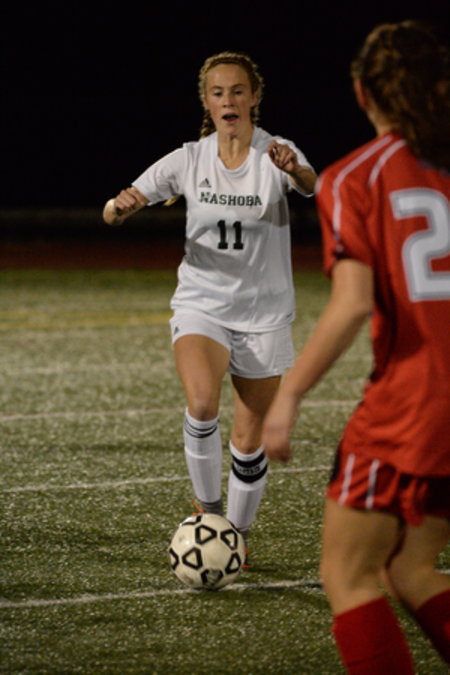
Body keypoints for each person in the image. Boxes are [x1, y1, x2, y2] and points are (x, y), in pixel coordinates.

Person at [263, 20, 450, 673]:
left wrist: (288, 395)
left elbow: (352, 302)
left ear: (363, 92)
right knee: (410, 565)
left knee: (348, 574)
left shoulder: (354, 177)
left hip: (413, 406)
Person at [103, 52, 317, 550]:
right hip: (203, 304)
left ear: (254, 97)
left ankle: (236, 539)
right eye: (218, 93)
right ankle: (210, 516)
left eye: (238, 91)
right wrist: (120, 207)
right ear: (207, 101)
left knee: (247, 441)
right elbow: (113, 210)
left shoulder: (276, 152)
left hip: (263, 313)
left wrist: (296, 171)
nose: (229, 100)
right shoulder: (189, 159)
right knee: (202, 404)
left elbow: (311, 184)